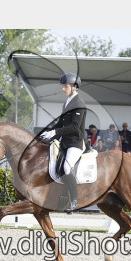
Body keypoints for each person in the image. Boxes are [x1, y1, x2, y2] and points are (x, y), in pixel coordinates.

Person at [40, 72, 87, 212]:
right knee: (56, 167)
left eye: (65, 86)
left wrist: (55, 133)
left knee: (66, 168)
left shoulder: (79, 104)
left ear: (74, 87)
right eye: (63, 86)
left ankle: (74, 201)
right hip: (65, 143)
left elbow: (74, 127)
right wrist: (48, 132)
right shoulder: (67, 103)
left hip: (75, 143)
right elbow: (60, 123)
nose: (63, 89)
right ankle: (63, 197)